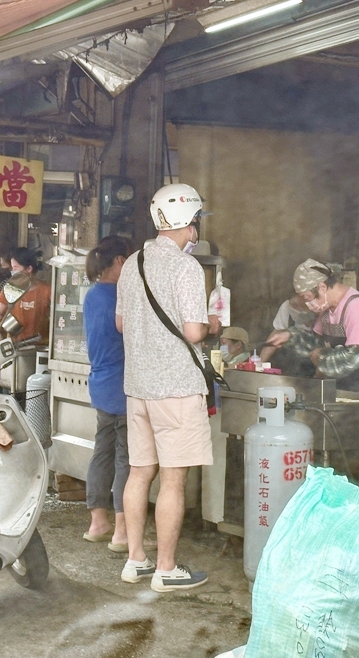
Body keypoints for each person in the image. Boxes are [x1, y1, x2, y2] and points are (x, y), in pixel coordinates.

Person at [115, 183, 214, 592]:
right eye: (196, 224)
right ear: (189, 224)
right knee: (173, 481)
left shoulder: (132, 263)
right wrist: (214, 325)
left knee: (140, 474)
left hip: (138, 385)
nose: (196, 231)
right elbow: (194, 332)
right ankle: (166, 570)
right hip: (175, 387)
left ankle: (135, 561)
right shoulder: (186, 267)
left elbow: (121, 323)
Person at [265, 258, 359, 394]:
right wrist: (290, 336)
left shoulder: (356, 308)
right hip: (346, 384)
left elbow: (354, 357)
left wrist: (322, 357)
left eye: (308, 298)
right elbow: (316, 341)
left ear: (322, 287)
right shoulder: (327, 309)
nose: (308, 304)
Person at [82, 237, 134, 551]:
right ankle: (123, 532)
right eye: (127, 260)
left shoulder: (92, 295)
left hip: (101, 382)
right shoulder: (121, 296)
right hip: (124, 385)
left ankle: (98, 522)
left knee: (103, 451)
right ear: (118, 261)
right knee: (127, 457)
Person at [0, 248, 51, 346]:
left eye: (15, 268)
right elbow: (0, 314)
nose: (13, 271)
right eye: (12, 268)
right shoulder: (10, 289)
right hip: (16, 344)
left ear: (29, 269)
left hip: (40, 344)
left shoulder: (47, 290)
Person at [260, 296, 315, 363]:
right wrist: (259, 363)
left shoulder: (320, 307)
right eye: (294, 305)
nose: (296, 307)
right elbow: (275, 337)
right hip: (292, 363)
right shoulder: (287, 306)